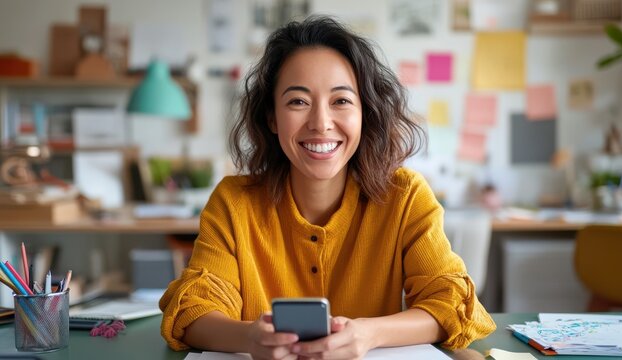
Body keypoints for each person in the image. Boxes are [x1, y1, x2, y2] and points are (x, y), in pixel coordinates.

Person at [160, 16, 495, 359]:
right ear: (272, 117)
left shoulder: (406, 196)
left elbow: (452, 303)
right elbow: (192, 310)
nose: (321, 123)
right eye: (298, 102)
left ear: (365, 112)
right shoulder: (233, 202)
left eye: (341, 101)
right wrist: (249, 338)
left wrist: (369, 333)